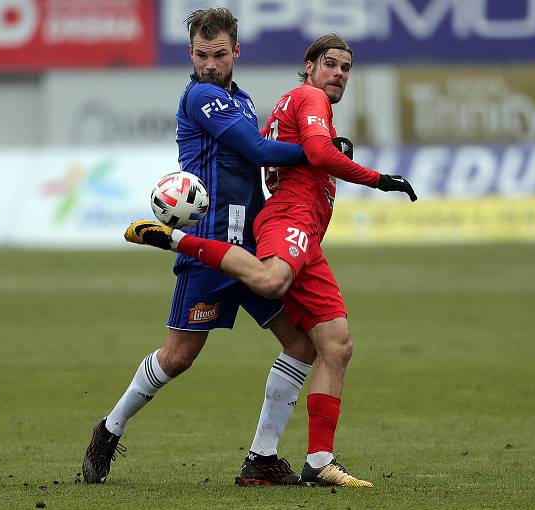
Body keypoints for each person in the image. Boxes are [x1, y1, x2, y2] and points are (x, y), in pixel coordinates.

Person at [125, 33, 418, 487]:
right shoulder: (304, 97)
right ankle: (171, 240)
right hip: (279, 221)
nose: (338, 74)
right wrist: (379, 179)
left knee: (332, 344)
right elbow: (304, 153)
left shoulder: (255, 102)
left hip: (290, 228)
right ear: (309, 66)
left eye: (345, 68)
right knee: (258, 289)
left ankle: (312, 461)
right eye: (330, 65)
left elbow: (264, 154)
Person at [82, 7, 320, 486]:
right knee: (178, 357)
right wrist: (321, 152)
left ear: (236, 52)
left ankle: (262, 458)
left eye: (219, 55)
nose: (210, 64)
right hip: (209, 245)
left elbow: (255, 163)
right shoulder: (202, 98)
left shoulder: (244, 99)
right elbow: (256, 151)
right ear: (190, 53)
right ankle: (109, 428)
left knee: (301, 345)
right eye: (202, 55)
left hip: (251, 247)